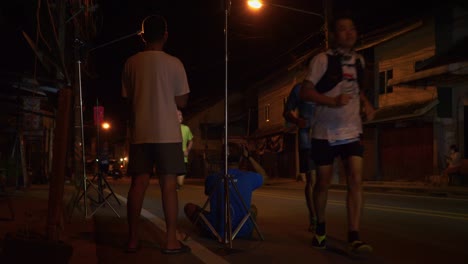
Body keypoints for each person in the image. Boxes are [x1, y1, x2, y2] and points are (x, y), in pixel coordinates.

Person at [299, 14, 376, 254]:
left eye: (352, 29)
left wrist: (366, 104)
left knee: (355, 179)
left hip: (352, 131)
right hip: (325, 132)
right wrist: (332, 101)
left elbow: (356, 89)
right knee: (322, 183)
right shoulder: (322, 60)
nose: (349, 33)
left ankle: (354, 235)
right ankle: (320, 227)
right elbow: (305, 92)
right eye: (343, 29)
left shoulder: (360, 61)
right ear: (333, 35)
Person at [121, 15, 191, 255]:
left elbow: (128, 98)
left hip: (141, 130)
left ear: (142, 36)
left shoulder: (131, 63)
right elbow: (182, 100)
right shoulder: (175, 64)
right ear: (165, 35)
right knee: (168, 186)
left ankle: (132, 239)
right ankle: (170, 241)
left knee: (137, 185)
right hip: (168, 134)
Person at [183, 143, 267, 241]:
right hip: (243, 231)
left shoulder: (213, 178)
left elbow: (208, 192)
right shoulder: (248, 177)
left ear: (222, 159)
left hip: (217, 230)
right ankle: (244, 228)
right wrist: (249, 157)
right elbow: (264, 176)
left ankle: (206, 230)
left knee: (189, 207)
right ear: (240, 159)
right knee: (253, 209)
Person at [283, 82, 317, 232]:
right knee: (312, 179)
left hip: (325, 137)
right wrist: (297, 120)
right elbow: (286, 112)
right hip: (307, 139)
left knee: (322, 181)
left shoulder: (326, 85)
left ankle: (319, 216)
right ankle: (314, 218)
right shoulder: (299, 89)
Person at [176, 109, 193, 189]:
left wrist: (188, 150)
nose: (180, 116)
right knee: (170, 182)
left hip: (183, 158)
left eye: (181, 114)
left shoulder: (186, 128)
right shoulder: (168, 129)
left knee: (180, 183)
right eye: (178, 114)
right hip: (172, 158)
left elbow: (191, 141)